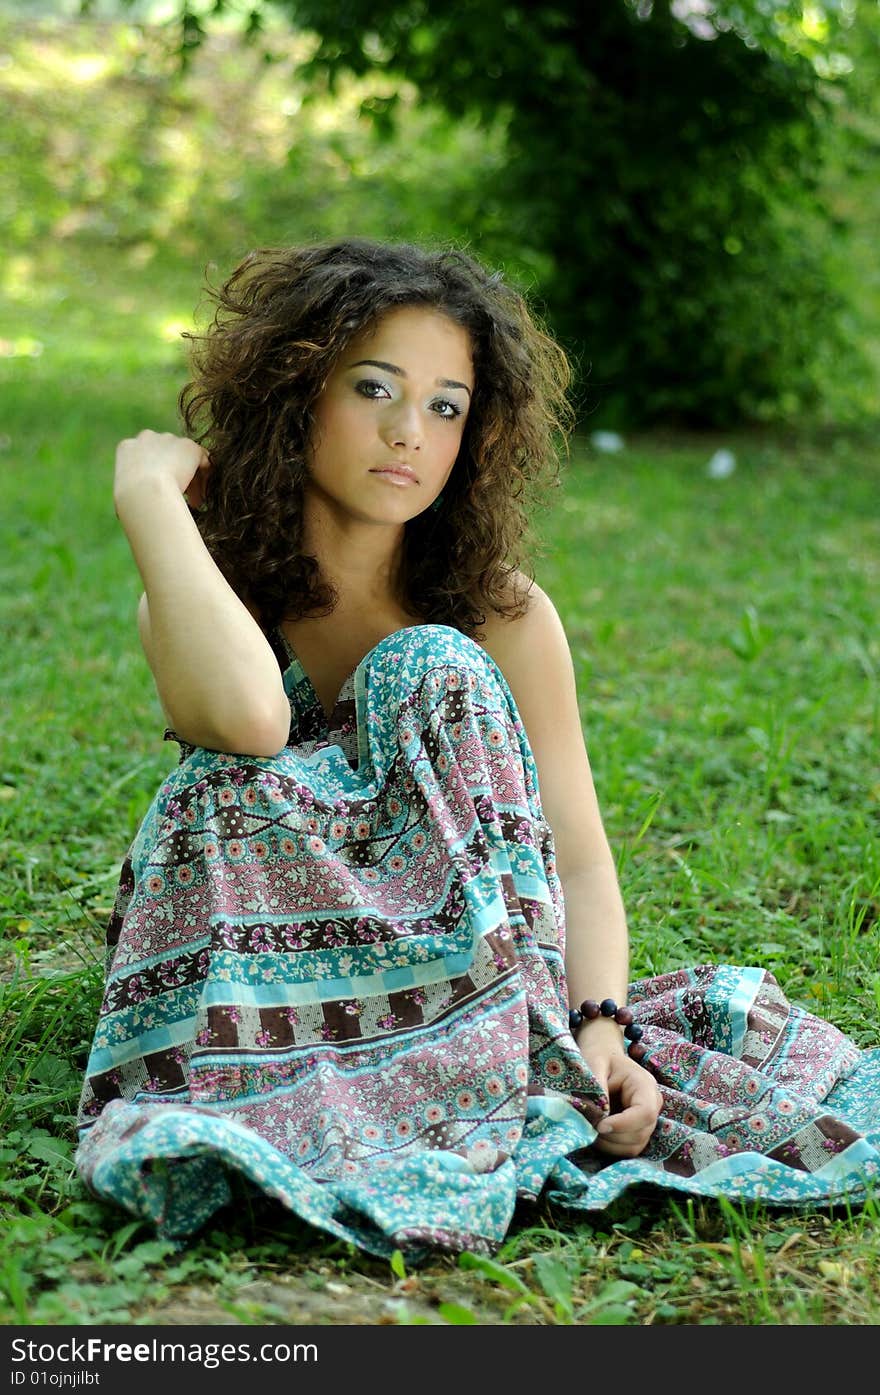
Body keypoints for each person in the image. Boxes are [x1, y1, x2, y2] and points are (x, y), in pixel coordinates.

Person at [75, 238, 880, 1260]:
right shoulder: (203, 596)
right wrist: (151, 500)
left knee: (429, 666)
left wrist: (597, 1029)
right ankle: (338, 1096)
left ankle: (480, 1071)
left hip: (472, 982)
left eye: (446, 405)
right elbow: (246, 722)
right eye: (374, 388)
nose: (410, 432)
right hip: (278, 989)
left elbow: (577, 857)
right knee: (223, 783)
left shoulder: (498, 614)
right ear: (294, 393)